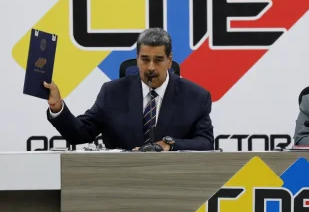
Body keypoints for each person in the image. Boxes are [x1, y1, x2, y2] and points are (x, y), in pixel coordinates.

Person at [44, 28, 214, 151]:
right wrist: (57, 107)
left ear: (169, 61)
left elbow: (206, 142)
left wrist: (170, 145)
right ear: (137, 59)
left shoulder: (195, 97)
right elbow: (80, 134)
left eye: (158, 60)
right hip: (121, 184)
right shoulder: (112, 93)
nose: (151, 67)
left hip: (172, 183)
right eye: (145, 59)